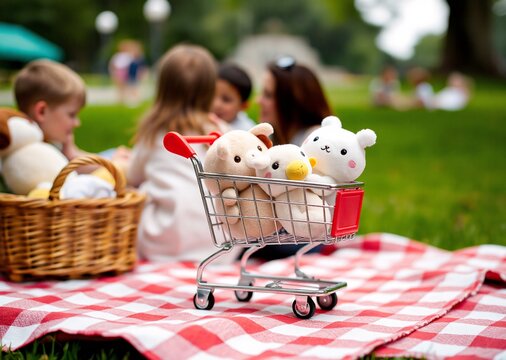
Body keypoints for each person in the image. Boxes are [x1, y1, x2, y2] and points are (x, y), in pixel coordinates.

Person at [126, 44, 234, 263]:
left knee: (133, 192)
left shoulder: (154, 133)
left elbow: (132, 177)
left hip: (162, 243)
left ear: (163, 90)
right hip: (222, 245)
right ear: (209, 90)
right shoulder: (222, 132)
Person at [13, 59, 88, 161]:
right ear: (41, 112)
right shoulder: (30, 154)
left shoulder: (53, 142)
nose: (77, 123)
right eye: (71, 114)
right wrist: (71, 156)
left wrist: (70, 151)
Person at [257, 56, 332, 146]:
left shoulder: (316, 140)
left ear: (291, 102)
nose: (259, 100)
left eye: (268, 95)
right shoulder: (274, 138)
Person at [211, 62, 256, 131]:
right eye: (211, 95)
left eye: (226, 100)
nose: (216, 104)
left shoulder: (248, 132)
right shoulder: (199, 119)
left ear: (243, 106)